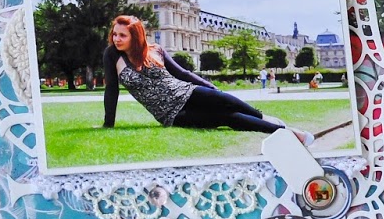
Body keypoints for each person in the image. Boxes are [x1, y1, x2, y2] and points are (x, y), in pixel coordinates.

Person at [101, 15, 313, 144]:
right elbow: (112, 89)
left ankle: (267, 119)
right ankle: (288, 133)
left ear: (136, 37)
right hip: (172, 113)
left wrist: (211, 88)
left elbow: (183, 74)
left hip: (187, 91)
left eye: (122, 35)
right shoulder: (112, 55)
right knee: (227, 118)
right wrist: (108, 124)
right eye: (115, 34)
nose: (116, 39)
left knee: (225, 100)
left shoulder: (155, 50)